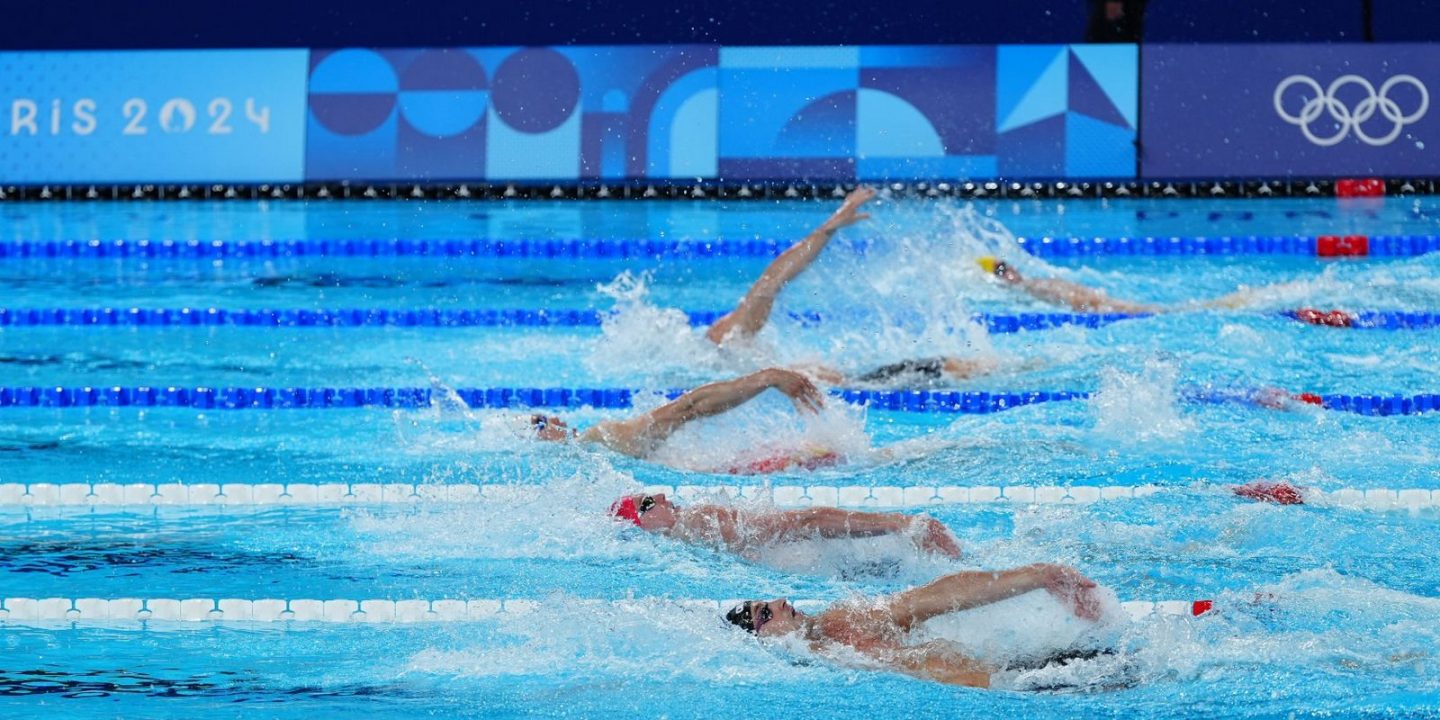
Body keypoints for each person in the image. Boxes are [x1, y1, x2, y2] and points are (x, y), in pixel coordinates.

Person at [701, 186, 999, 386]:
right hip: (859, 386)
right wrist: (829, 227)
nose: (728, 318)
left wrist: (828, 228)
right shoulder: (731, 344)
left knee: (950, 367)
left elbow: (771, 282)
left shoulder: (733, 344)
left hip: (855, 383)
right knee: (950, 367)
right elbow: (770, 282)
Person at [724, 563, 1105, 689]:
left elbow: (934, 596)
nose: (781, 602)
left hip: (1018, 682)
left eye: (768, 602)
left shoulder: (842, 622)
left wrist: (1037, 576)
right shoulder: (803, 675)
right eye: (765, 614)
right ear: (760, 640)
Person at [531, 367, 841, 471]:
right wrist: (769, 378)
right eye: (542, 422)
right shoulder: (601, 438)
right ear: (541, 441)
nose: (556, 418)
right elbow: (688, 407)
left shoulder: (590, 455)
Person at [608, 492, 962, 559]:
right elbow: (806, 521)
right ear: (643, 524)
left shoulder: (690, 537)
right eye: (648, 503)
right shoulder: (702, 522)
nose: (661, 494)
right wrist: (904, 524)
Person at [977, 256, 1288, 314]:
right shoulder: (1037, 282)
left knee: (1162, 311)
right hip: (1097, 301)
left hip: (1096, 306)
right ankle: (1223, 304)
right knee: (1160, 310)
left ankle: (1223, 304)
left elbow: (1079, 301)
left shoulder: (1033, 286)